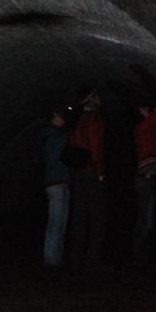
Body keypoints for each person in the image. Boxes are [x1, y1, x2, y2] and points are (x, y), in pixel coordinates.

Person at [131, 70, 156, 267]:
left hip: (151, 177)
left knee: (149, 218)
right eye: (147, 110)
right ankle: (140, 260)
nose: (150, 113)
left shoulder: (148, 131)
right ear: (142, 112)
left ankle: (144, 258)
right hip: (147, 178)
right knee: (146, 220)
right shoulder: (145, 128)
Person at [67, 88, 107, 272]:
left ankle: (75, 260)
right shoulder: (93, 119)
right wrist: (100, 171)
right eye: (96, 95)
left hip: (77, 172)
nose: (99, 98)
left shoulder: (76, 120)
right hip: (90, 170)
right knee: (97, 216)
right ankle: (93, 261)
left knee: (79, 217)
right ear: (91, 100)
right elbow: (96, 147)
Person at [41, 108, 70, 270]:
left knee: (60, 222)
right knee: (56, 222)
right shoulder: (55, 136)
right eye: (60, 115)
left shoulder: (50, 135)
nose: (63, 117)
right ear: (53, 117)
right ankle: (51, 259)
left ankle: (55, 257)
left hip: (58, 180)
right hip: (56, 181)